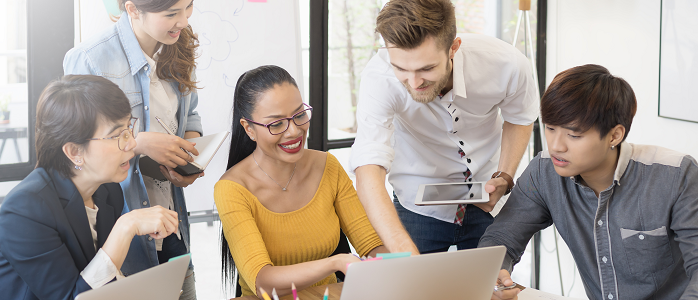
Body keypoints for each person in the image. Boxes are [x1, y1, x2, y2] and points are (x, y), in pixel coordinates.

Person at [480, 64, 698, 300]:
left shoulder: (676, 176)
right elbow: (502, 238)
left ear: (615, 135)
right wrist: (493, 274)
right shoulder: (543, 172)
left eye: (574, 135)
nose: (556, 146)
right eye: (550, 128)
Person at [349, 0, 539, 254]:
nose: (414, 82)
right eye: (401, 68)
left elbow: (520, 117)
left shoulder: (507, 64)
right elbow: (368, 168)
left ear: (453, 48)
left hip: (487, 201)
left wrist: (505, 176)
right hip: (416, 206)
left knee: (487, 290)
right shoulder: (379, 79)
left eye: (426, 68)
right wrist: (402, 249)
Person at [63, 1, 202, 297]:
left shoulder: (177, 45)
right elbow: (77, 143)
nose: (184, 21)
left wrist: (185, 158)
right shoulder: (90, 59)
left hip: (170, 219)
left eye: (188, 7)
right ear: (133, 9)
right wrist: (142, 143)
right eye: (171, 14)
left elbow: (190, 114)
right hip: (122, 227)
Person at [0, 75, 180, 300]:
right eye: (117, 135)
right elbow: (72, 297)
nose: (132, 143)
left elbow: (104, 283)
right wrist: (126, 225)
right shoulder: (24, 210)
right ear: (75, 152)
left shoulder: (108, 191)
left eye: (129, 129)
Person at [214, 65, 387, 297]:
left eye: (299, 115)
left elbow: (370, 244)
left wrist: (402, 264)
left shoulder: (328, 166)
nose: (294, 131)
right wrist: (333, 263)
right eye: (276, 124)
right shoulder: (232, 189)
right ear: (249, 129)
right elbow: (263, 282)